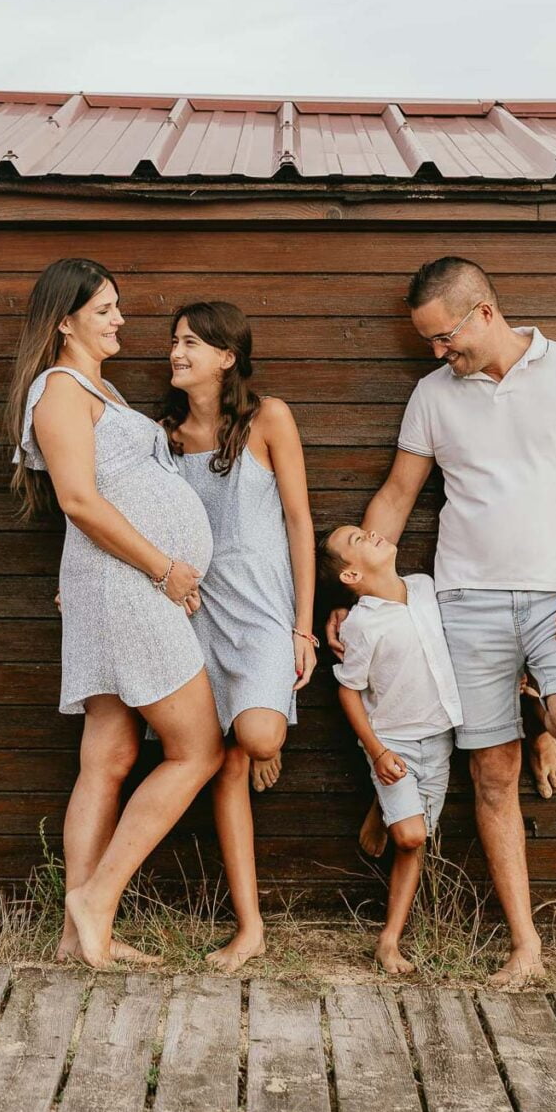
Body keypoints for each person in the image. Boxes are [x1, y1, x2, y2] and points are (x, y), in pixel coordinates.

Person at [327, 256, 556, 988]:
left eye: (445, 337)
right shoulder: (433, 395)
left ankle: (541, 716)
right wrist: (363, 593)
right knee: (491, 776)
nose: (439, 352)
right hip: (465, 605)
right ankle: (526, 946)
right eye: (429, 342)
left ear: (485, 313)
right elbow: (398, 494)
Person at [7, 258, 224, 969]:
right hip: (129, 585)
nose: (119, 319)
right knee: (198, 749)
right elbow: (78, 498)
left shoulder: (99, 389)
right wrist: (164, 568)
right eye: (103, 309)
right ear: (64, 320)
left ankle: (78, 937)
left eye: (116, 307)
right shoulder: (59, 390)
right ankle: (96, 901)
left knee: (110, 756)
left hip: (119, 583)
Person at [160, 302, 317, 972]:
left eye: (192, 342)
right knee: (222, 765)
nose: (177, 352)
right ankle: (249, 928)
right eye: (175, 341)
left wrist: (303, 627)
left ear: (227, 357)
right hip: (196, 615)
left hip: (260, 614)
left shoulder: (269, 418)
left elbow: (299, 522)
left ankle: (262, 725)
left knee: (258, 738)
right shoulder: (164, 439)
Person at [320, 524, 461, 975]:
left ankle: (389, 940)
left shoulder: (425, 587)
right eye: (357, 540)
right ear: (351, 576)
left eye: (364, 531)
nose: (370, 534)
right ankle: (388, 805)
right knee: (411, 836)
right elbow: (349, 690)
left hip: (439, 736)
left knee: (415, 841)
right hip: (392, 742)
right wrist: (378, 751)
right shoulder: (362, 623)